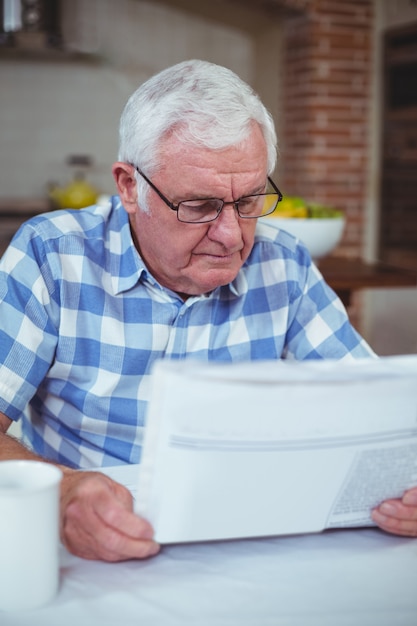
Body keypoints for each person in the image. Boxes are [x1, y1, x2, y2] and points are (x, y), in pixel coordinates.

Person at [1, 60, 416, 561]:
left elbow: (377, 409)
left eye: (249, 202)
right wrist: (62, 491)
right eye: (199, 205)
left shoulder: (283, 262)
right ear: (129, 187)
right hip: (90, 545)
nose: (232, 235)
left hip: (245, 533)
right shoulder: (51, 255)